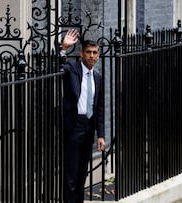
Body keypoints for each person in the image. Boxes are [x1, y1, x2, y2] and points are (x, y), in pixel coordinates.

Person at [60, 29, 106, 203]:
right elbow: (57, 67)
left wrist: (100, 135)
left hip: (89, 127)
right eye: (88, 52)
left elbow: (100, 107)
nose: (92, 56)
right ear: (81, 54)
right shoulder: (72, 69)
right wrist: (63, 48)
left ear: (98, 55)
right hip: (74, 126)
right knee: (71, 173)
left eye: (95, 53)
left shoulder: (98, 77)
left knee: (82, 173)